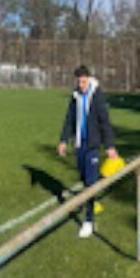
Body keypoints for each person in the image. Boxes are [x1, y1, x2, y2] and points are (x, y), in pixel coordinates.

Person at [57, 66, 117, 238]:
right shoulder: (75, 96)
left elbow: (104, 122)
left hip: (92, 145)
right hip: (79, 144)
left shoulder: (97, 96)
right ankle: (94, 190)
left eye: (84, 81)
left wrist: (109, 146)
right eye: (79, 82)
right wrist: (63, 140)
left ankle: (88, 221)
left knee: (90, 184)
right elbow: (69, 119)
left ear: (89, 79)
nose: (81, 85)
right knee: (85, 180)